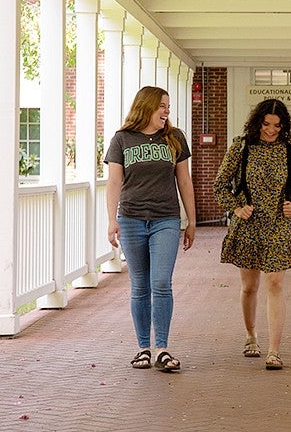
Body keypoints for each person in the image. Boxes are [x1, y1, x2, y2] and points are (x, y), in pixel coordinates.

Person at [105, 86, 197, 372]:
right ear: (146, 107)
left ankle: (162, 349)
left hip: (166, 219)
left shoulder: (174, 138)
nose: (166, 111)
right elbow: (114, 183)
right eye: (162, 106)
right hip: (131, 219)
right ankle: (143, 347)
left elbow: (184, 181)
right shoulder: (122, 139)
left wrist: (191, 220)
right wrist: (112, 220)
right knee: (140, 285)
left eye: (168, 106)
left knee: (161, 283)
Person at [213, 98, 291, 370]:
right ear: (257, 122)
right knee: (250, 286)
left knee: (275, 283)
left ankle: (274, 351)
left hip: (278, 225)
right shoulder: (241, 147)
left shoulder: (290, 150)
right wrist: (236, 208)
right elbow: (220, 186)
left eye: (277, 125)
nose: (271, 130)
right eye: (266, 124)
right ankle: (251, 336)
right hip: (249, 225)